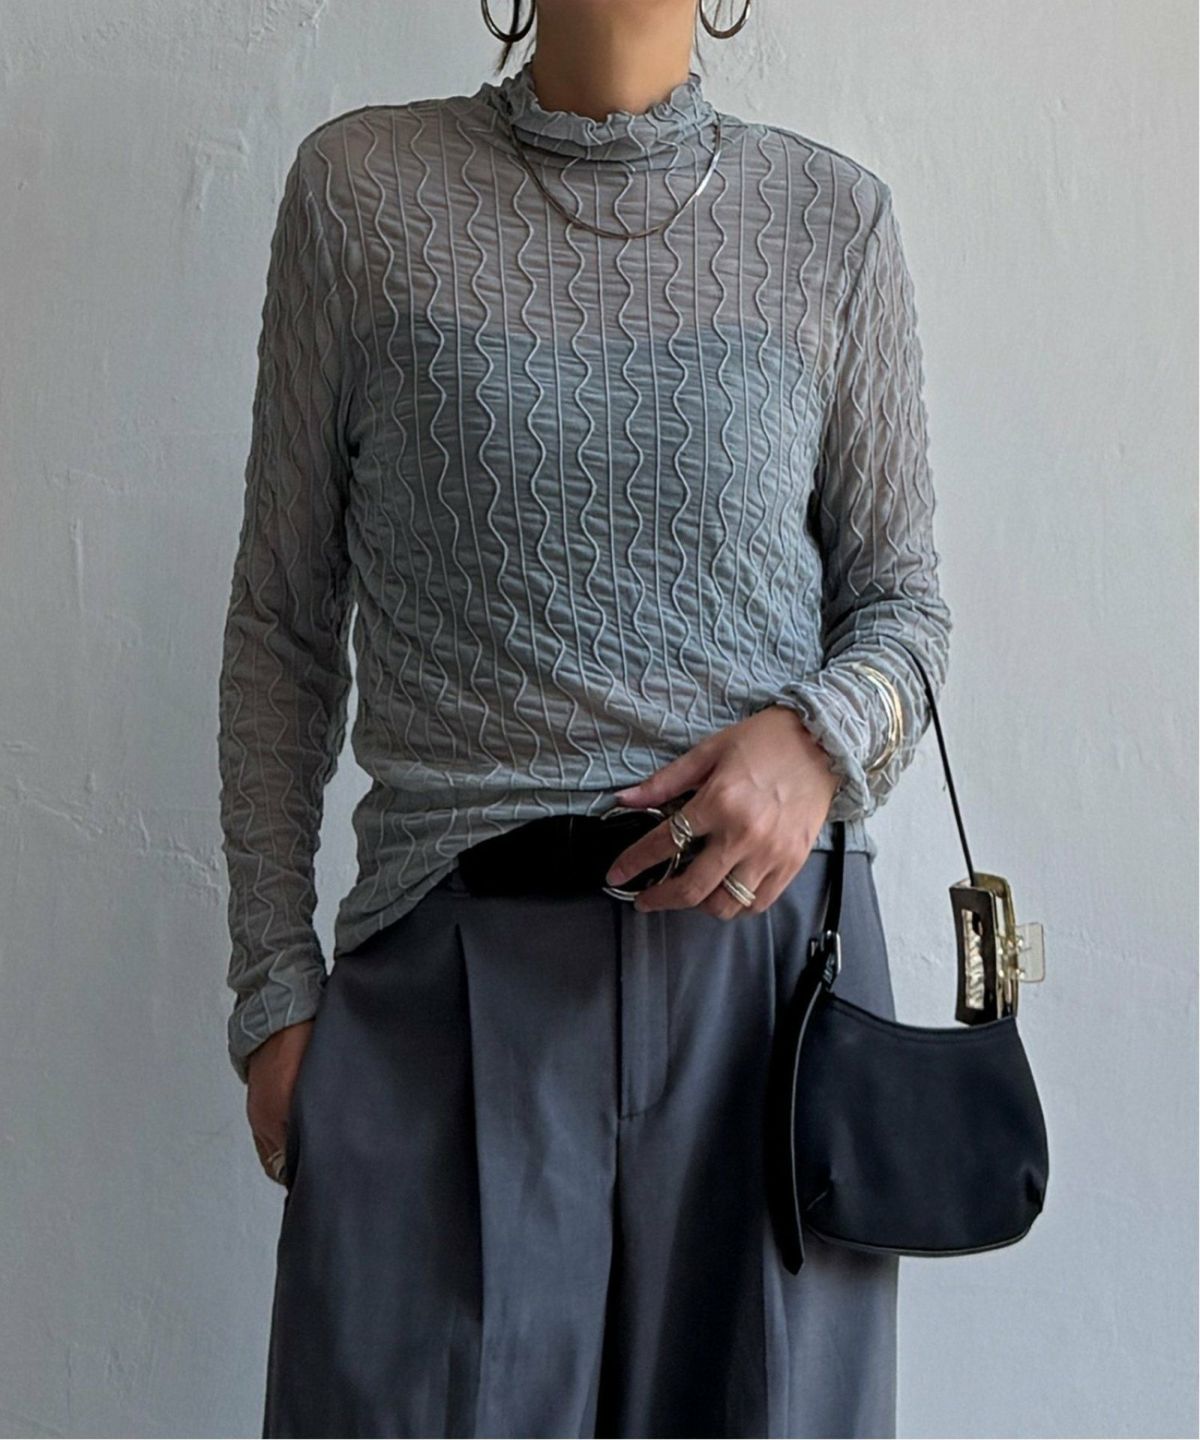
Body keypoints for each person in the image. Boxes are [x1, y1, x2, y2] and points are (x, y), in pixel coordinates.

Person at [215, 0, 953, 1434]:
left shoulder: (833, 223)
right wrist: (273, 998)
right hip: (446, 982)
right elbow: (282, 627)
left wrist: (814, 741)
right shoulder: (359, 198)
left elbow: (906, 612)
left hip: (768, 998)